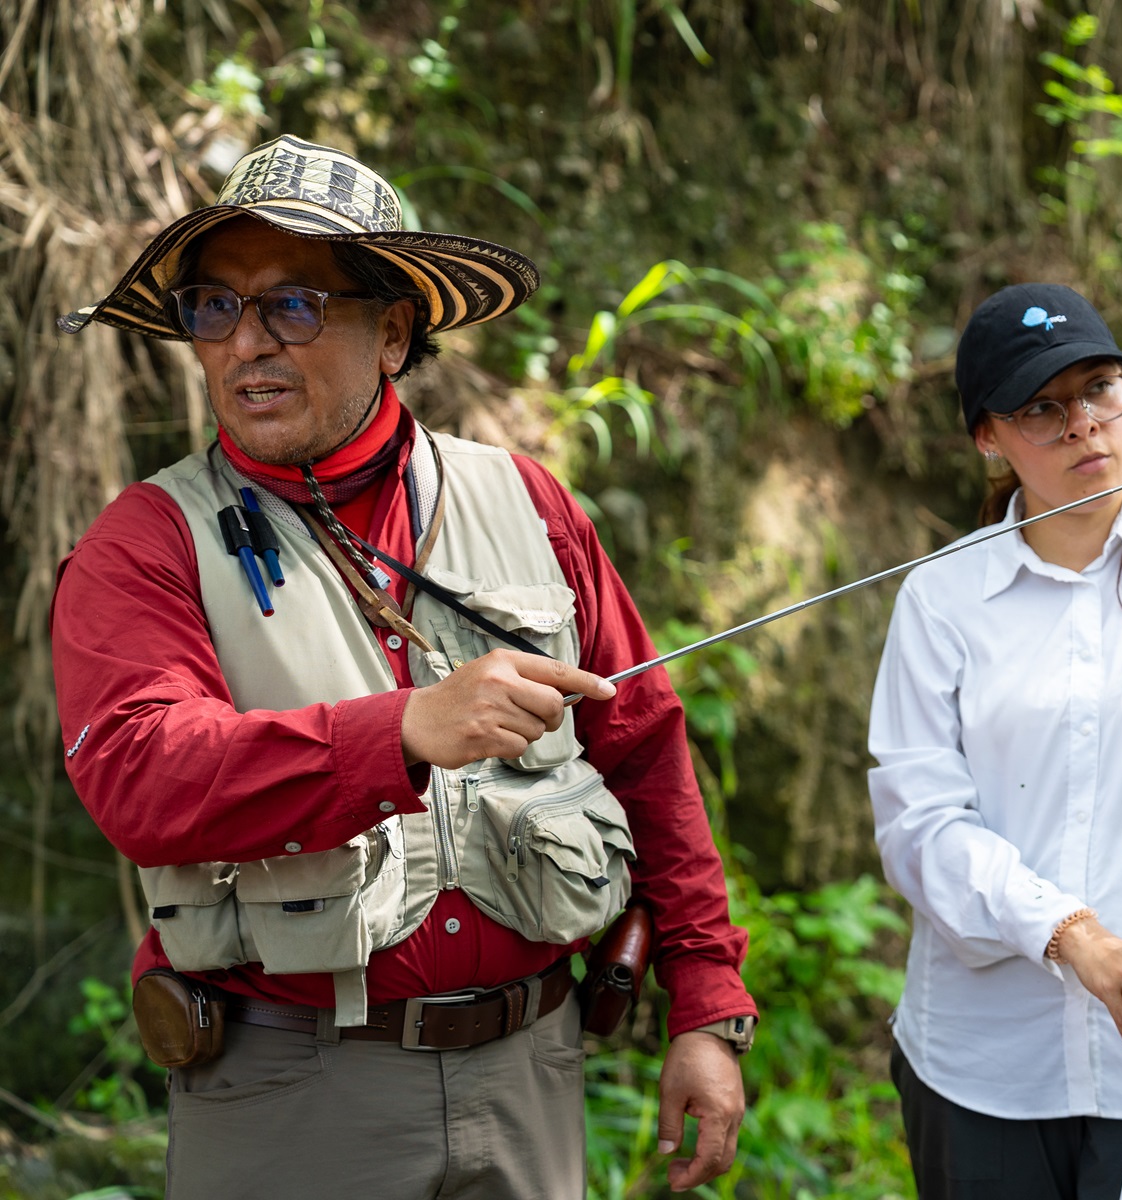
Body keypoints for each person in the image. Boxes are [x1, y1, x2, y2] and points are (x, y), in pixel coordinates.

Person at [51, 135, 757, 1199]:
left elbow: (643, 742)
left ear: (391, 331)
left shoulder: (530, 503)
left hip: (531, 1072)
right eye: (215, 307)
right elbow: (140, 775)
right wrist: (403, 733)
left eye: (292, 305)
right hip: (287, 1089)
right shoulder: (146, 543)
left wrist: (705, 998)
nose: (246, 344)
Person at [868, 283, 1122, 1199]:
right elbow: (920, 828)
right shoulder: (942, 601)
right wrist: (1074, 937)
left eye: (1100, 389)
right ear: (988, 435)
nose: (1083, 426)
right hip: (984, 1068)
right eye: (1040, 408)